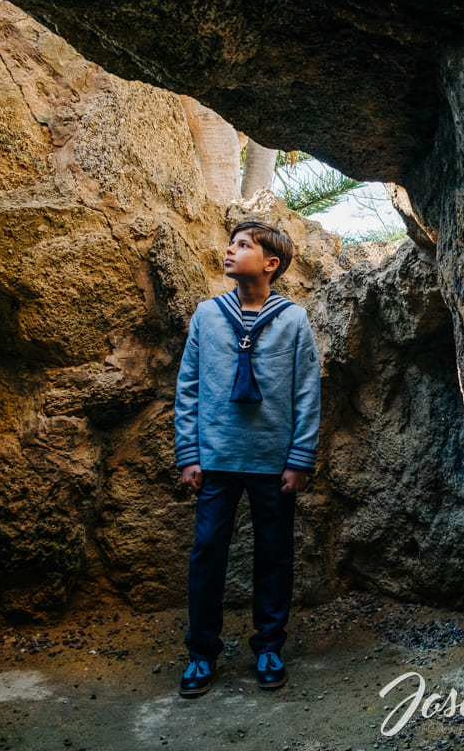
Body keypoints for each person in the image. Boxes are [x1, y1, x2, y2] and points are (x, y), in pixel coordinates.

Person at [173, 220, 321, 697]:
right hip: (216, 459)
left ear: (270, 263)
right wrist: (188, 454)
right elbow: (189, 387)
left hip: (273, 463)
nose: (229, 250)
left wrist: (299, 459)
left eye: (243, 245)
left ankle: (269, 646)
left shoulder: (293, 319)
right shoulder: (206, 316)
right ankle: (201, 651)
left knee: (274, 555)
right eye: (231, 243)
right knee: (207, 553)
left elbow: (306, 392)